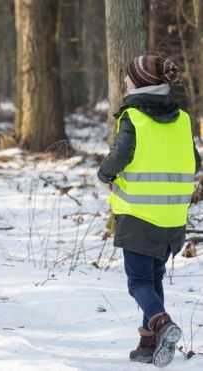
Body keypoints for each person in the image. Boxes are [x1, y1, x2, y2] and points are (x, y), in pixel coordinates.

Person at [98, 56, 200, 367]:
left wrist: (105, 175)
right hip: (173, 218)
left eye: (128, 79)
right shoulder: (182, 118)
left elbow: (120, 157)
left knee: (139, 281)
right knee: (154, 277)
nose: (125, 83)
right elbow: (195, 162)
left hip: (139, 216)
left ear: (140, 84)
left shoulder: (134, 117)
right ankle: (148, 343)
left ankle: (160, 322)